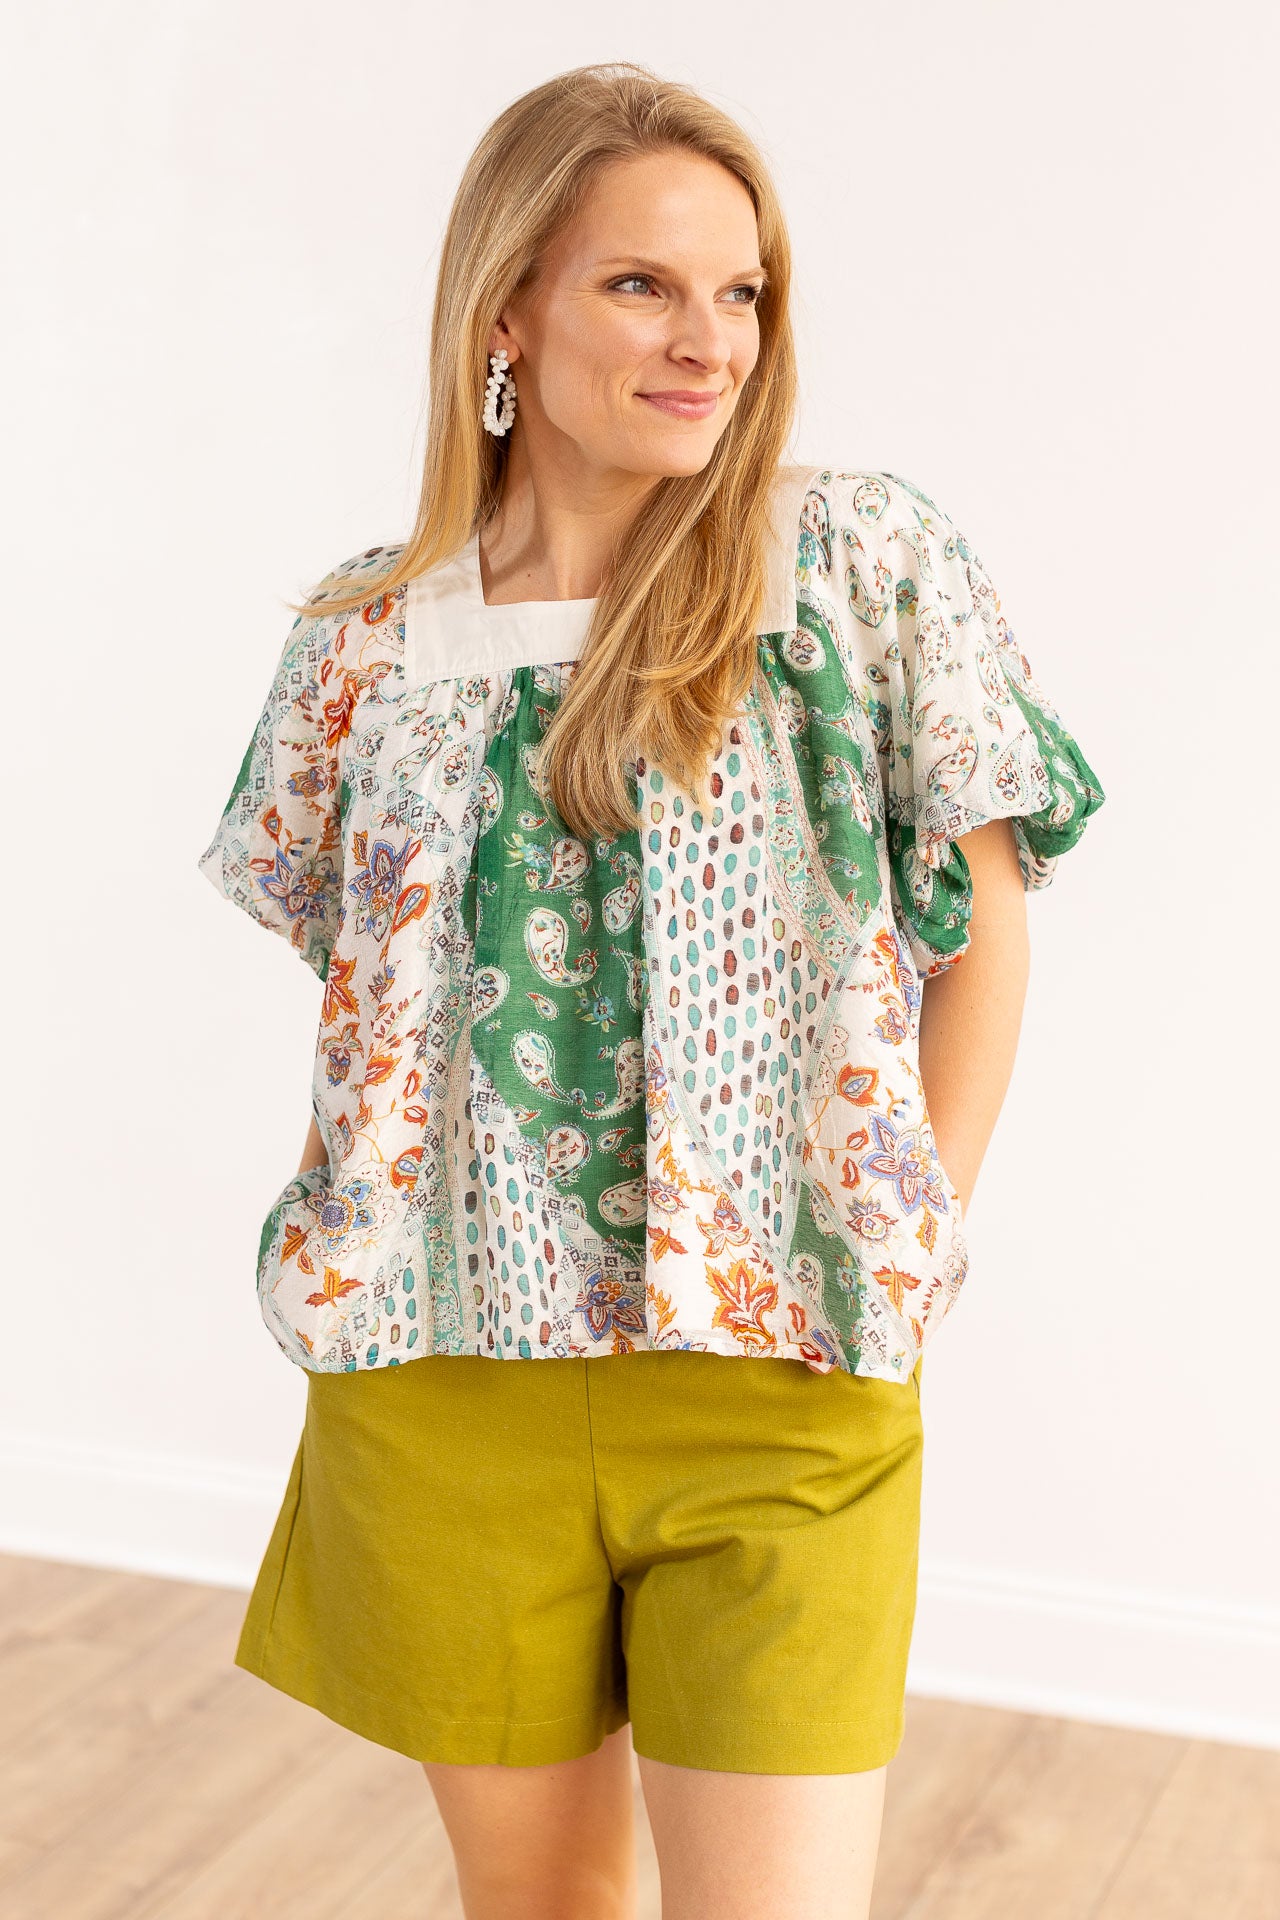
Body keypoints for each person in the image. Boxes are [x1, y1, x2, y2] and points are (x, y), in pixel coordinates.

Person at [196, 60, 1106, 1920]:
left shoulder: (856, 564)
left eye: (742, 291)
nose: (712, 343)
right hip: (442, 1382)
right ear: (506, 310)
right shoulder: (363, 640)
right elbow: (363, 992)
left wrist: (909, 1236)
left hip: (783, 1381)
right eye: (643, 285)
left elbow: (987, 923)